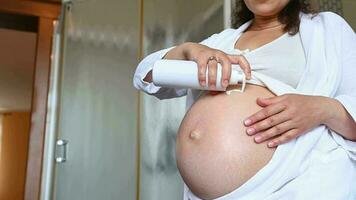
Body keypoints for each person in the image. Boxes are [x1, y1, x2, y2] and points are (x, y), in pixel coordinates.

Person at [133, 0, 356, 199]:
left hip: (296, 183)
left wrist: (323, 109)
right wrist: (188, 50)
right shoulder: (221, 41)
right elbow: (146, 76)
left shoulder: (327, 29)